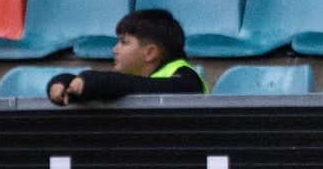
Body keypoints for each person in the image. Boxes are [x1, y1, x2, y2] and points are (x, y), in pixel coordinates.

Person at [45, 9, 205, 104]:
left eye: (124, 42)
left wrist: (95, 83)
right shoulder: (137, 79)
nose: (114, 49)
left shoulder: (187, 80)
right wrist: (65, 84)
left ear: (150, 52)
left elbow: (141, 87)